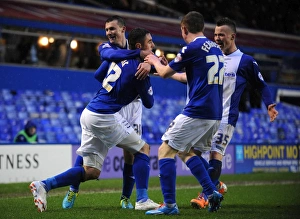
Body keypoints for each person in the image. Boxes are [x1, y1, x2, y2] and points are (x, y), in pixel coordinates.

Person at [29, 27, 156, 213]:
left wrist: (150, 64)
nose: (153, 45)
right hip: (104, 115)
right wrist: (149, 68)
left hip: (90, 112)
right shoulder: (138, 68)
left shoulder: (120, 58)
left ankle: (43, 185)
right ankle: (143, 199)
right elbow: (150, 102)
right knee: (142, 149)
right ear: (140, 45)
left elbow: (99, 75)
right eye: (150, 42)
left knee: (91, 171)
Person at [171, 17, 279, 209]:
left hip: (226, 117)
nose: (218, 38)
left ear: (233, 36)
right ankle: (216, 186)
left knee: (215, 154)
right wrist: (167, 71)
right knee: (188, 152)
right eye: (215, 34)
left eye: (222, 35)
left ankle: (205, 196)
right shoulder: (211, 56)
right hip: (205, 114)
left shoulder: (245, 61)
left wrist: (270, 104)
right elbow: (190, 79)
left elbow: (261, 85)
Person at [62, 16, 159, 211]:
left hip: (133, 107)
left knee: (131, 153)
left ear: (124, 30)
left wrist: (148, 63)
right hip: (114, 104)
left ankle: (125, 197)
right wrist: (141, 59)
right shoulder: (110, 49)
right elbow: (99, 74)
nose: (109, 33)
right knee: (88, 148)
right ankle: (73, 189)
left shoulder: (136, 51)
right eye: (106, 30)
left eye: (112, 29)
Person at [144, 11, 224, 215]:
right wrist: (164, 67)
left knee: (165, 150)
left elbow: (162, 74)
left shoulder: (191, 48)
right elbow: (187, 77)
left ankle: (170, 205)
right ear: (203, 28)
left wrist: (153, 60)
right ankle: (211, 191)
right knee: (184, 150)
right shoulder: (214, 48)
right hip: (214, 114)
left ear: (184, 29)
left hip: (198, 110)